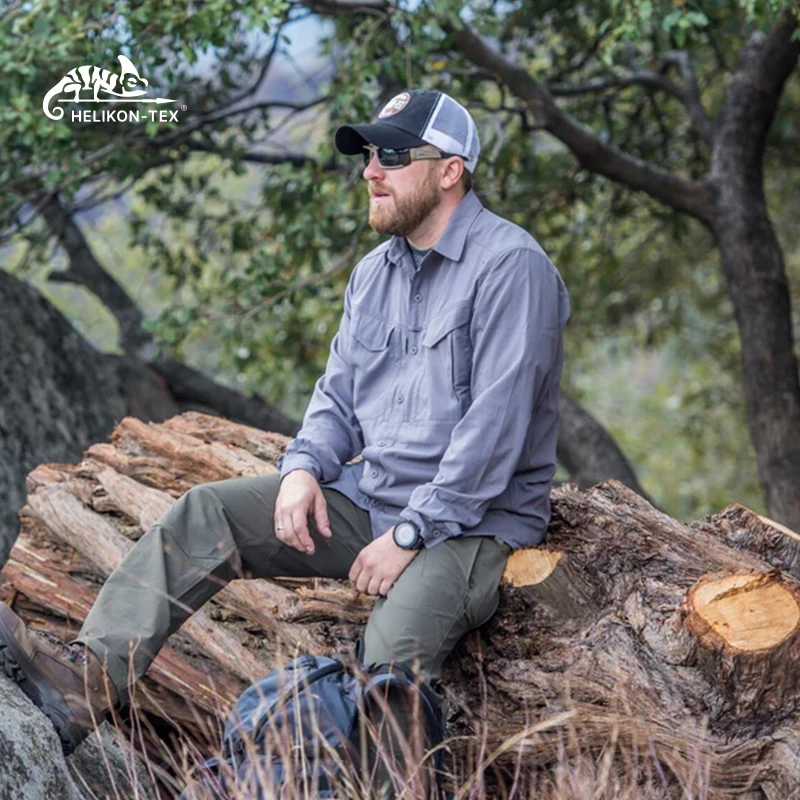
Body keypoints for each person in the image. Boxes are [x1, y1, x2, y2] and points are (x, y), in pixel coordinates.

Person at [0, 88, 570, 797]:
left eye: (394, 155)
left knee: (383, 672)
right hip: (374, 497)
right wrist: (302, 468)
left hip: (471, 525)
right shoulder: (375, 273)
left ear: (451, 171)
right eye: (369, 154)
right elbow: (338, 397)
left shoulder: (513, 266)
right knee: (206, 513)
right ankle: (84, 686)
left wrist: (412, 534)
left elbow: (496, 432)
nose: (371, 170)